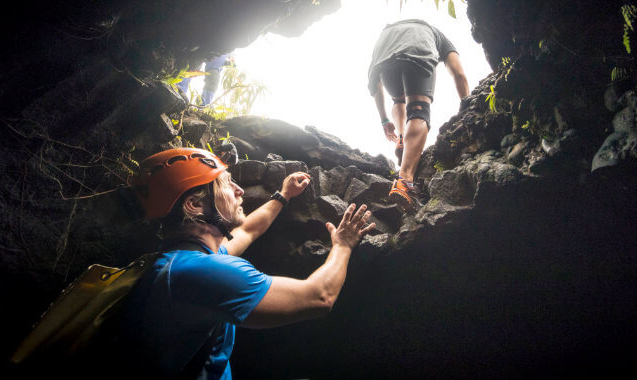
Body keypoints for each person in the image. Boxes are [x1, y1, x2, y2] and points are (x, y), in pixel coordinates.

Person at [108, 146, 375, 379]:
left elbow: (248, 231)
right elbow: (319, 297)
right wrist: (343, 244)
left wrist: (284, 195)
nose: (239, 190)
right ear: (194, 205)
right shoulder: (198, 272)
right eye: (225, 183)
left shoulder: (182, 261)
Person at [368, 19, 469, 213]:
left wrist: (384, 120)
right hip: (418, 51)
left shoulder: (387, 33)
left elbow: (374, 82)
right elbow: (459, 74)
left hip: (384, 56)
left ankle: (401, 137)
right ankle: (404, 180)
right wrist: (469, 107)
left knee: (398, 99)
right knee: (418, 109)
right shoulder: (436, 34)